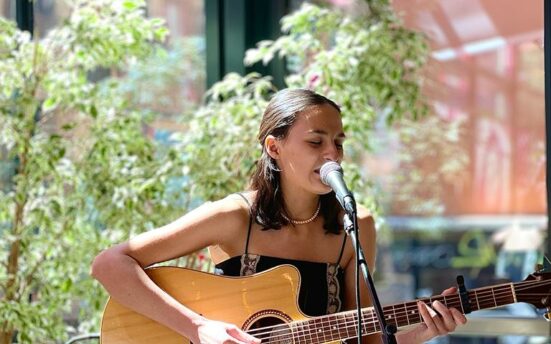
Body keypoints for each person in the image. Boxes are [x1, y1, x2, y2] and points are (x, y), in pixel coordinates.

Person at [91, 88, 467, 344]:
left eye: (338, 142)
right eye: (315, 141)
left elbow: (364, 337)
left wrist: (422, 332)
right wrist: (198, 328)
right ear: (274, 147)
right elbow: (110, 263)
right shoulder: (235, 216)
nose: (332, 154)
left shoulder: (356, 225)